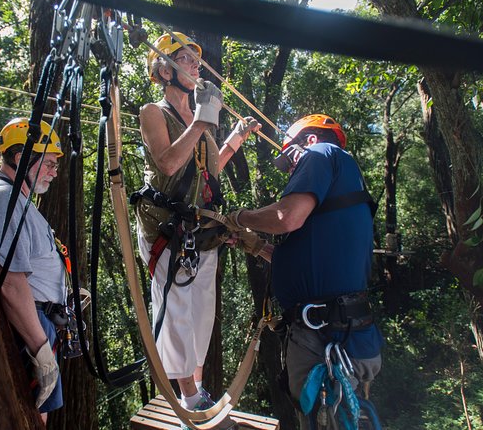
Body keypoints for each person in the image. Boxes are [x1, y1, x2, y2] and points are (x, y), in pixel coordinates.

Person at [227, 114, 384, 428]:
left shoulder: (319, 153)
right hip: (345, 330)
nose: (290, 170)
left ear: (309, 140)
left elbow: (287, 217)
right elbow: (311, 259)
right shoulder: (343, 184)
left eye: (288, 160)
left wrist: (239, 216)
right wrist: (257, 246)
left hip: (324, 337)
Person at [135, 32, 261, 416]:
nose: (195, 66)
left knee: (203, 313)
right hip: (167, 231)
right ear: (163, 69)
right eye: (186, 59)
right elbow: (169, 163)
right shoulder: (153, 113)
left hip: (203, 231)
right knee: (176, 311)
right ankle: (187, 396)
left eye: (196, 60)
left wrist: (234, 138)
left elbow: (209, 168)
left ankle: (199, 388)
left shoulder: (199, 118)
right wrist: (203, 121)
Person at [0, 118, 67, 423]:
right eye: (49, 163)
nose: (55, 171)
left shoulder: (18, 199)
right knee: (29, 417)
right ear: (20, 158)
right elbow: (10, 284)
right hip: (27, 329)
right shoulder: (3, 200)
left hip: (37, 323)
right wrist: (40, 351)